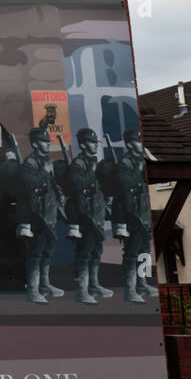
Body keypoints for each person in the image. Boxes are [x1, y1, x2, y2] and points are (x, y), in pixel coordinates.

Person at [66, 128, 110, 305]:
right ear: (83, 144)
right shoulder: (78, 164)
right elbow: (77, 187)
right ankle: (82, 291)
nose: (95, 145)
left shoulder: (93, 163)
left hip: (96, 212)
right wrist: (94, 172)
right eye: (91, 142)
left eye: (95, 142)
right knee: (84, 252)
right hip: (83, 214)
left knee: (96, 251)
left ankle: (94, 285)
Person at [18, 127, 62, 304]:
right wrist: (45, 171)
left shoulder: (45, 161)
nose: (48, 142)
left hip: (49, 212)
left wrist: (58, 192)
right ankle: (33, 290)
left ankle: (44, 284)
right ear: (35, 143)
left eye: (48, 140)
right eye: (44, 141)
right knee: (36, 252)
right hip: (37, 214)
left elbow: (50, 184)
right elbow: (30, 186)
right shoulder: (30, 163)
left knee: (47, 250)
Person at [112, 129, 154, 304]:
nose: (141, 144)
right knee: (132, 252)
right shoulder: (126, 162)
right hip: (130, 214)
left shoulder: (140, 160)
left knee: (144, 251)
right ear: (130, 144)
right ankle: (130, 290)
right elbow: (125, 185)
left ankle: (143, 283)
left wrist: (149, 157)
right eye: (138, 141)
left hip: (143, 211)